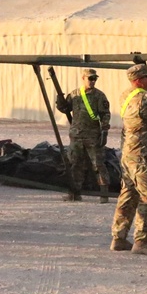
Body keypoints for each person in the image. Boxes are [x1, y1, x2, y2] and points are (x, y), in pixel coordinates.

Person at [110, 62, 147, 255]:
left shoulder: (126, 95)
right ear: (137, 81)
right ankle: (141, 241)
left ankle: (118, 237)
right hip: (142, 156)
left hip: (129, 154)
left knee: (128, 194)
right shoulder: (145, 99)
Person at [55, 68, 111, 203]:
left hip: (92, 135)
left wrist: (104, 131)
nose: (93, 81)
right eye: (90, 78)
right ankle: (74, 193)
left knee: (97, 163)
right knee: (75, 164)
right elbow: (65, 108)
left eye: (94, 79)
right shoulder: (75, 94)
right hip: (76, 135)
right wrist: (60, 101)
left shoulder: (99, 96)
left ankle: (104, 194)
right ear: (83, 78)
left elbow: (105, 114)